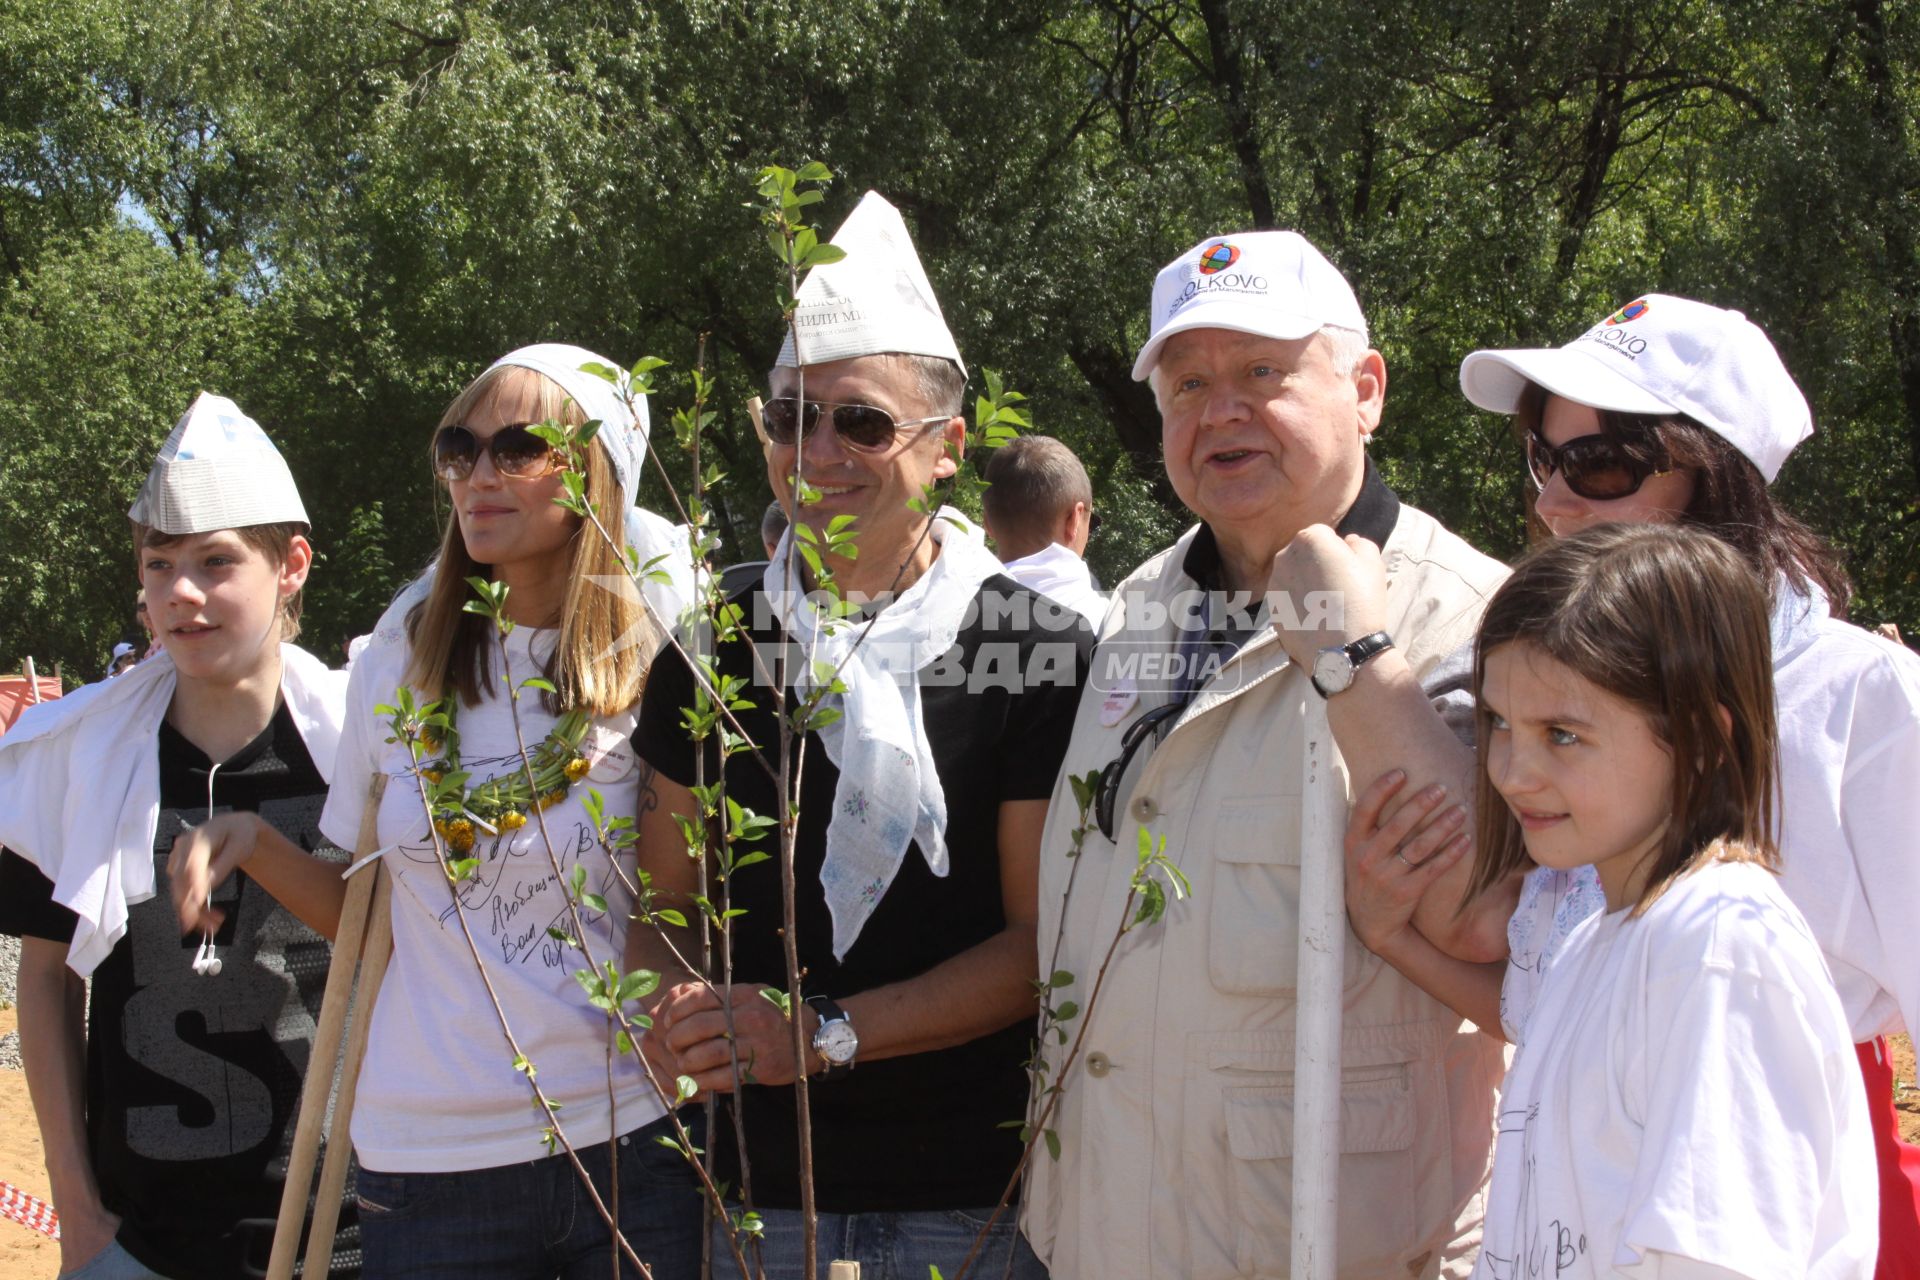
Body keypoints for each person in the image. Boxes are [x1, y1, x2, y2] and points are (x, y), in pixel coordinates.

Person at [1348, 293, 1920, 1277]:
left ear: (1719, 478)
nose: (1553, 499)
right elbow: (1563, 1006)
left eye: (1600, 463)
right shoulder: (1573, 705)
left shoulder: (1860, 700)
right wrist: (1395, 933)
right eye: (1542, 455)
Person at [1022, 230, 1514, 1279]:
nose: (1221, 411)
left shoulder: (1477, 617)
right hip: (1099, 1230)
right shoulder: (1137, 605)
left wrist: (1357, 656)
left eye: (1262, 372)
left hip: (1330, 1246)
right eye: (1188, 382)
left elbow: (1499, 922)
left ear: (1367, 388)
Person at [631, 191, 1092, 1279]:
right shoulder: (714, 645)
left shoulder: (1039, 649)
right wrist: (675, 1013)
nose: (818, 449)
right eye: (789, 417)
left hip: (974, 1202)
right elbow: (663, 910)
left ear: (947, 449)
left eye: (862, 421)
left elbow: (1041, 946)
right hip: (759, 1197)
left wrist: (822, 1032)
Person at [168, 346, 702, 1279]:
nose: (478, 476)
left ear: (599, 471)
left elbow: (678, 909)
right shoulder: (399, 662)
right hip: (429, 1161)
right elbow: (371, 923)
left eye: (520, 447)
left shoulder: (661, 661)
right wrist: (251, 841)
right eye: (460, 449)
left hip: (630, 1137)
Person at [0, 392, 355, 1280]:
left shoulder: (365, 749)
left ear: (292, 566)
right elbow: (44, 983)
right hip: (142, 1240)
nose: (181, 594)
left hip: (353, 1232)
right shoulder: (72, 756)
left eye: (215, 561)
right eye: (160, 565)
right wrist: (77, 1214)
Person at [1465, 523, 1876, 1277]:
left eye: (1561, 734)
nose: (1513, 771)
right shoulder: (1600, 941)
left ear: (1699, 737)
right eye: (1498, 722)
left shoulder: (1717, 950)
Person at [982, 435, 1107, 628]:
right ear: (1074, 519)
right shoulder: (1112, 626)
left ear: (987, 523)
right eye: (1090, 523)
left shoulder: (946, 614)